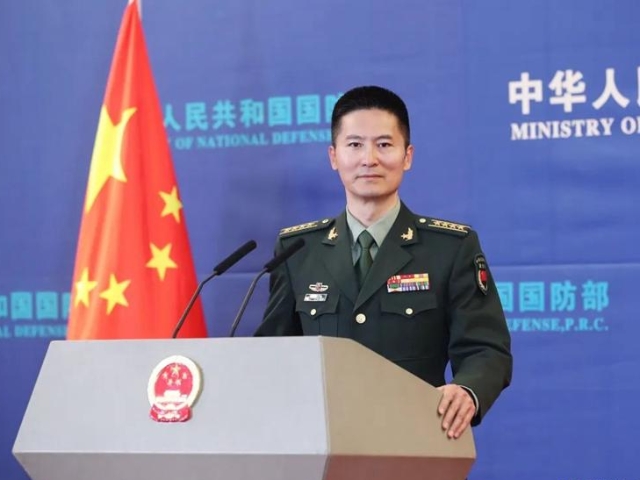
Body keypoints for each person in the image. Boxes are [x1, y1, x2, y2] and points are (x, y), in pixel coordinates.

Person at [255, 85, 512, 439]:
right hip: (324, 443)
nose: (369, 159)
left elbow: (486, 348)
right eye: (354, 144)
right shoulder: (298, 250)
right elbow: (272, 355)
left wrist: (467, 390)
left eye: (384, 145)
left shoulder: (450, 248)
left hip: (417, 439)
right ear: (333, 156)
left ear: (407, 156)